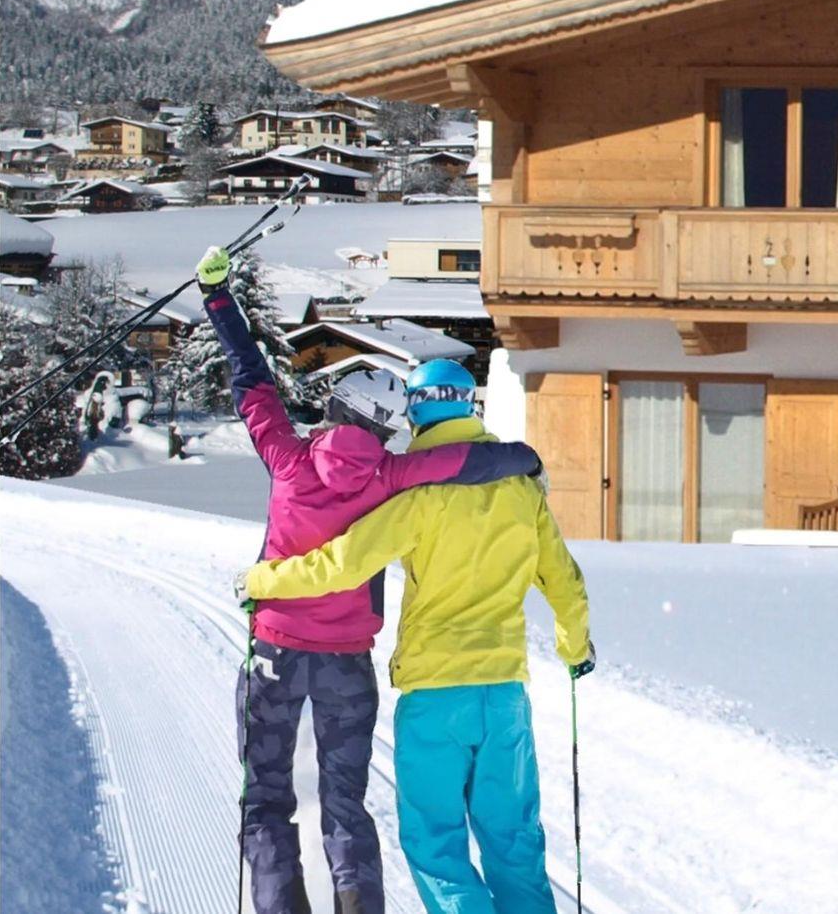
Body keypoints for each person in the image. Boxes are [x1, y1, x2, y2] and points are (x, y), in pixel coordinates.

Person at [199, 246, 543, 914]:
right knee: (344, 802)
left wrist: (218, 297)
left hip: (274, 652)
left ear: (334, 408)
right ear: (385, 426)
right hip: (346, 665)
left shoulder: (287, 457)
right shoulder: (392, 475)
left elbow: (251, 380)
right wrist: (522, 457)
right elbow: (463, 463)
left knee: (266, 797)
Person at [239, 353, 593, 914]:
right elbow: (565, 582)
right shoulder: (524, 493)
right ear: (470, 407)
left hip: (435, 695)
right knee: (514, 838)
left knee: (437, 846)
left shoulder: (416, 496)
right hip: (504, 692)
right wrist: (575, 648)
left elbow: (343, 565)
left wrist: (263, 579)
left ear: (416, 417)